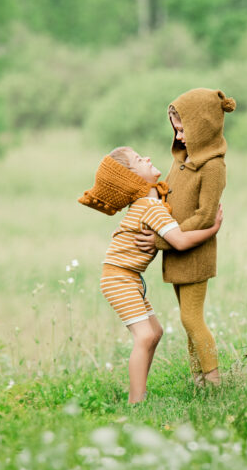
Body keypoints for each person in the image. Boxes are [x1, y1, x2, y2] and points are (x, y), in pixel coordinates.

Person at [79, 146, 224, 404]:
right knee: (144, 336)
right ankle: (137, 402)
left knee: (154, 333)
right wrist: (212, 228)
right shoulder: (150, 207)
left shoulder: (151, 203)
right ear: (133, 178)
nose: (146, 157)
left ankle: (139, 392)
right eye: (138, 160)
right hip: (119, 277)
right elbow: (179, 241)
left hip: (127, 277)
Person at [136, 88, 235, 387]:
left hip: (193, 251)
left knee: (192, 319)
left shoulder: (213, 166)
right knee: (186, 319)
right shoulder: (182, 160)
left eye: (184, 130)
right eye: (176, 130)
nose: (178, 137)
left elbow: (205, 216)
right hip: (177, 251)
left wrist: (163, 239)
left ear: (202, 127)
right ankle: (199, 380)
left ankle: (214, 380)